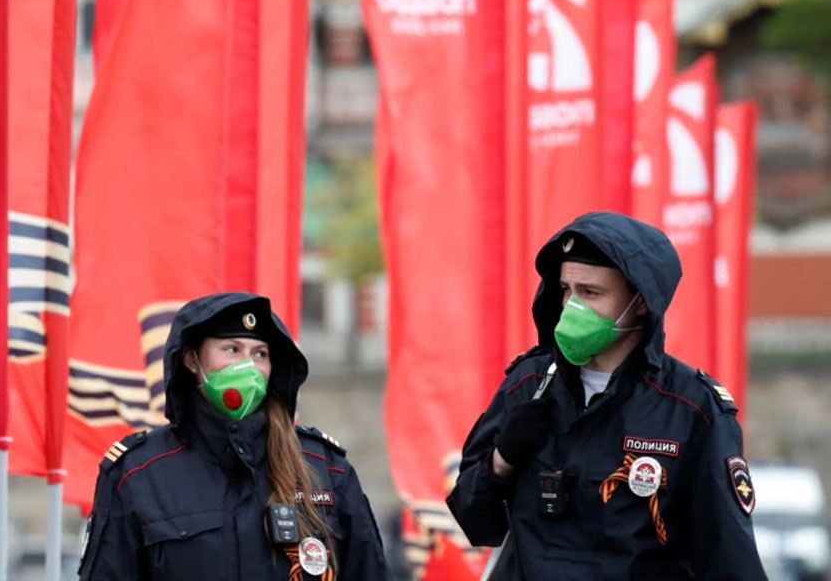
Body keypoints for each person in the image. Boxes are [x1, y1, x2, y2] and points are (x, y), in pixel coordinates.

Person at [447, 211, 768, 580]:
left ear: (641, 301)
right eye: (566, 290)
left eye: (591, 293)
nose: (572, 307)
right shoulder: (528, 385)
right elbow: (474, 521)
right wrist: (501, 462)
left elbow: (729, 557)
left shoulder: (691, 408)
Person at [78, 291, 388, 581]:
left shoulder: (325, 468)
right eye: (231, 349)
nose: (248, 366)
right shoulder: (139, 473)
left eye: (260, 354)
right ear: (191, 359)